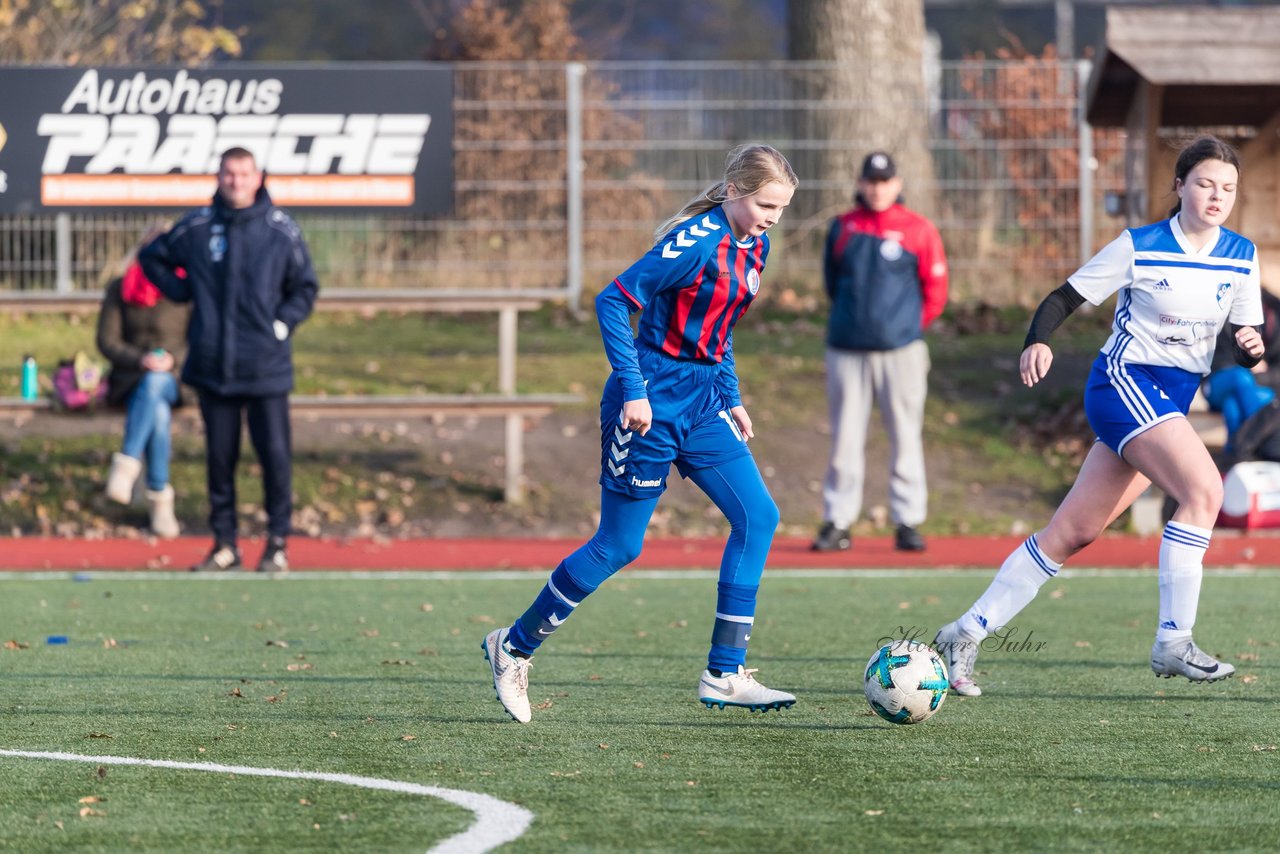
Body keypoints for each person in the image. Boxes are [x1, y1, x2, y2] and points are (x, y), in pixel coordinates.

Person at [933, 136, 1264, 695]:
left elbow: (1238, 340)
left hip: (1170, 402)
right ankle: (1173, 642)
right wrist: (1036, 341)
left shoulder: (1242, 255)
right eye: (1205, 183)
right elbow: (1062, 298)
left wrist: (1250, 346)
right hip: (1124, 384)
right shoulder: (1141, 245)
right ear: (1180, 185)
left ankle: (963, 633)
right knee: (1205, 490)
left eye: (1228, 188)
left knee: (1073, 532)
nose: (1217, 196)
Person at [482, 143, 798, 723]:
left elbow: (719, 330)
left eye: (780, 208)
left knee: (759, 517)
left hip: (703, 406)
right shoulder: (696, 241)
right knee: (620, 545)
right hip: (650, 402)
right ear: (734, 191)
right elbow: (612, 300)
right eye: (765, 204)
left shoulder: (757, 247)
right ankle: (513, 647)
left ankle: (724, 674)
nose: (772, 217)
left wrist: (731, 397)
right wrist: (633, 388)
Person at [139, 147, 319, 573]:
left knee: (274, 455)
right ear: (219, 176)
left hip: (266, 368)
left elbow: (305, 287)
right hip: (214, 367)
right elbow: (152, 257)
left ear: (258, 177)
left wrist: (281, 325)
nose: (236, 180)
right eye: (229, 173)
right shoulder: (198, 227)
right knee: (220, 460)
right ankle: (224, 544)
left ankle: (277, 543)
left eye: (244, 173)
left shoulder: (281, 230)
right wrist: (182, 291)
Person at [812, 151, 949, 553]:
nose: (877, 188)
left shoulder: (919, 230)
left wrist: (904, 329)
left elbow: (935, 292)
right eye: (870, 181)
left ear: (898, 183)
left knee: (906, 437)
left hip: (902, 352)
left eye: (884, 180)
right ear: (860, 184)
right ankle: (838, 521)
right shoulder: (843, 228)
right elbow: (832, 284)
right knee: (844, 439)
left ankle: (908, 521)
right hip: (847, 350)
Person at [98, 226, 192, 539]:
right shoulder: (120, 288)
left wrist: (172, 360)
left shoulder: (187, 289)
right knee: (158, 413)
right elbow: (107, 341)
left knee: (157, 385)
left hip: (177, 379)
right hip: (131, 377)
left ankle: (125, 465)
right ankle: (159, 500)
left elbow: (198, 341)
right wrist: (141, 359)